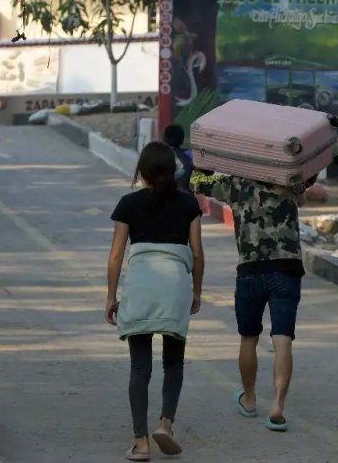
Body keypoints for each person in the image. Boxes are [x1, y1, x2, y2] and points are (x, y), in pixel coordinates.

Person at [190, 171, 315, 432]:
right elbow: (306, 183)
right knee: (283, 338)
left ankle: (249, 398)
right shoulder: (288, 177)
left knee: (249, 336)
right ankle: (278, 405)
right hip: (286, 268)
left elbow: (197, 182)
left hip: (250, 270)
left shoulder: (234, 184)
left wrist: (206, 161)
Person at [106, 141, 205, 461]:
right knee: (173, 361)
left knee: (140, 367)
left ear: (142, 172)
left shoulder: (128, 204)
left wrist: (111, 297)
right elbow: (198, 253)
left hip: (140, 286)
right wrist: (196, 291)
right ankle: (165, 424)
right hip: (175, 284)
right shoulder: (189, 204)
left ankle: (141, 443)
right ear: (174, 170)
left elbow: (116, 255)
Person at [162, 123, 194, 193]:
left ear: (164, 139)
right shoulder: (189, 154)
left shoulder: (158, 154)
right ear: (182, 139)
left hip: (163, 196)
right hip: (185, 195)